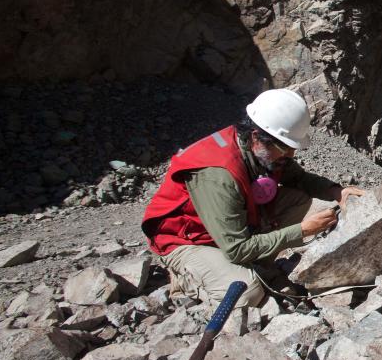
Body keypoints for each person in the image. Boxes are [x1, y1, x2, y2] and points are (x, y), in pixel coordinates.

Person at [141, 88, 364, 309]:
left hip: (224, 232)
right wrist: (303, 230)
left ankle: (254, 267)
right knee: (247, 292)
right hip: (185, 241)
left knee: (298, 198)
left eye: (292, 148)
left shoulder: (262, 152)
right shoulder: (219, 175)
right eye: (284, 147)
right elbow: (236, 248)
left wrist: (337, 192)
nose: (290, 155)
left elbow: (300, 179)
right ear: (257, 137)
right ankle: (186, 279)